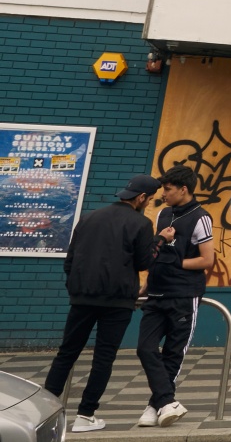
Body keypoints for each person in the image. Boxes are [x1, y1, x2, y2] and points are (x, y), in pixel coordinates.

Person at [44, 175, 159, 434]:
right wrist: (160, 242)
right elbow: (143, 262)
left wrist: (75, 288)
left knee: (66, 353)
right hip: (117, 302)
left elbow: (69, 260)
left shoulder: (88, 218)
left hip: (82, 298)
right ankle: (85, 415)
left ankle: (44, 410)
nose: (148, 203)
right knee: (103, 358)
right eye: (149, 199)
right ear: (141, 198)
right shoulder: (141, 223)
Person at [137, 165, 216, 427]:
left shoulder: (201, 217)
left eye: (168, 190)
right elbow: (157, 253)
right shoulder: (163, 213)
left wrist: (175, 263)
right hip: (157, 293)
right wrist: (148, 283)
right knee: (145, 348)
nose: (163, 194)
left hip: (184, 294)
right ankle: (166, 401)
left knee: (173, 352)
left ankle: (155, 405)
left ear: (184, 190)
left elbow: (207, 260)